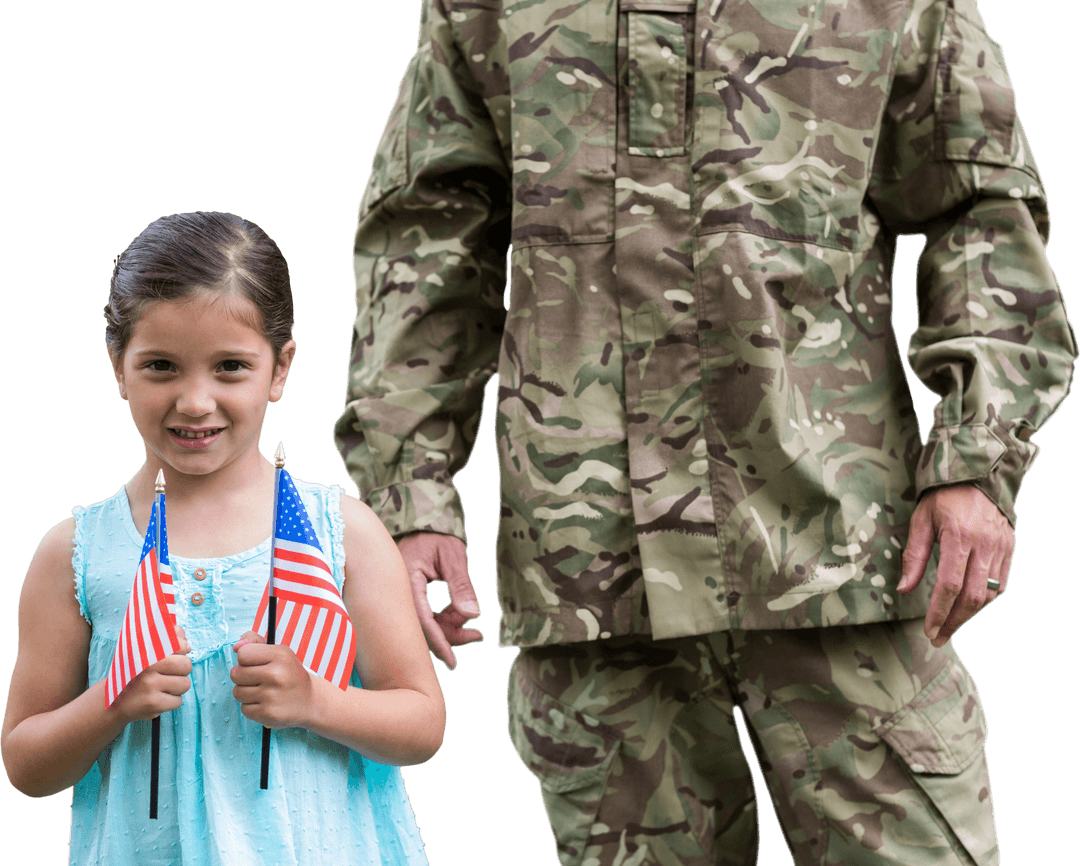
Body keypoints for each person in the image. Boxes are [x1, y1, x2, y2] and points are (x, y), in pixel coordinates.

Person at [334, 2, 1076, 864]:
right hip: (592, 572)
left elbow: (980, 211)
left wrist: (977, 459)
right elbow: (428, 235)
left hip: (839, 552)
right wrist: (412, 489)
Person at [1, 212, 443, 865]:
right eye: (161, 367)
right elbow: (25, 764)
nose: (196, 401)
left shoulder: (340, 532)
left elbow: (422, 724)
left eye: (230, 366)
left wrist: (317, 700)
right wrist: (108, 704)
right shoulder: (73, 553)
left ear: (280, 368)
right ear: (118, 367)